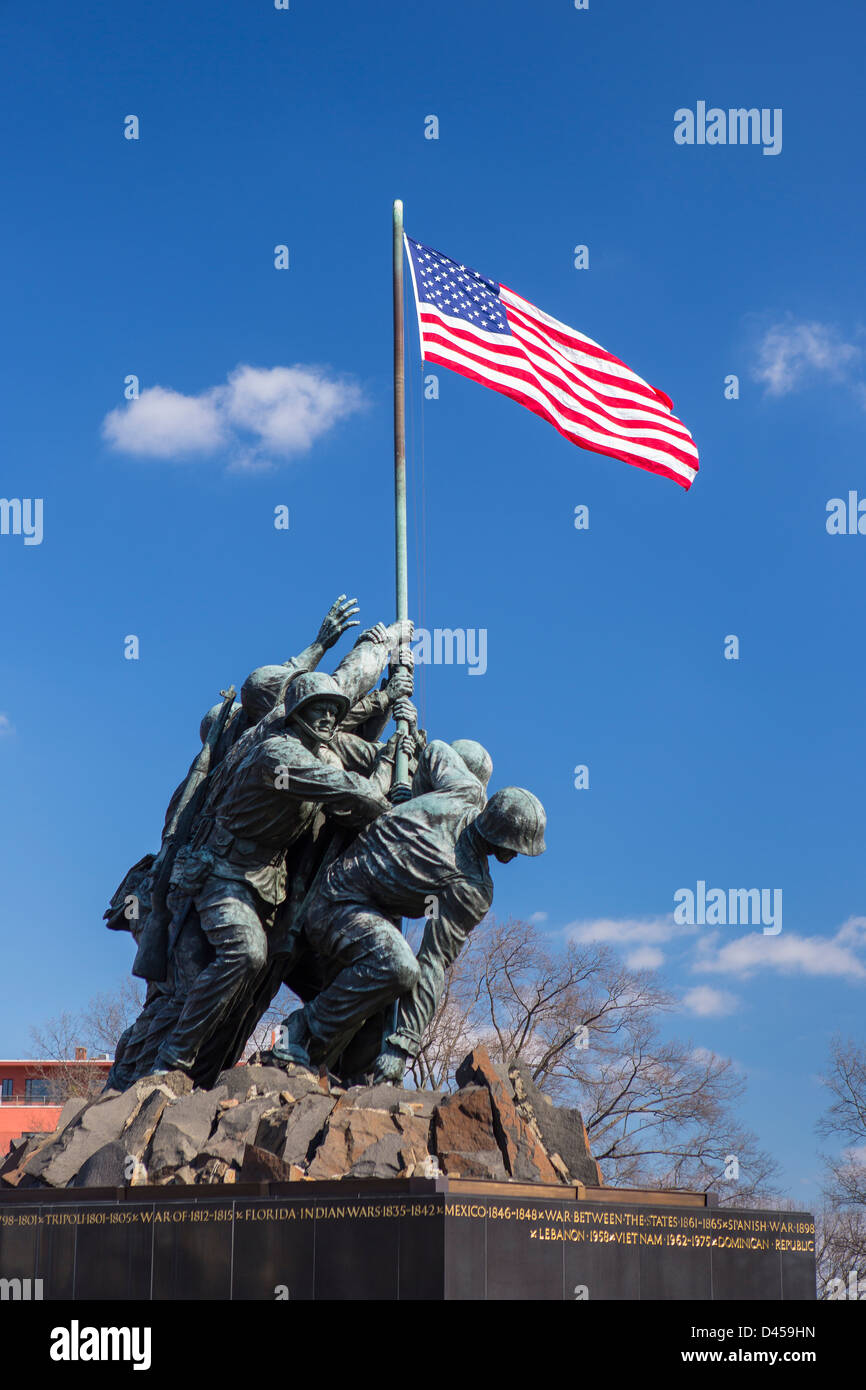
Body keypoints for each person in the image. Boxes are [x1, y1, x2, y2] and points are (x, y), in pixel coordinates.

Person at [271, 740, 546, 1083]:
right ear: (503, 840)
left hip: (364, 909)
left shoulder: (466, 789)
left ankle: (343, 1068)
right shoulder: (471, 886)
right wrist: (403, 1047)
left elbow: (434, 751)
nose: (517, 856)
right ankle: (299, 1030)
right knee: (398, 966)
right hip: (335, 901)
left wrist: (403, 1040)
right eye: (517, 848)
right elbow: (431, 962)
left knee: (382, 1004)